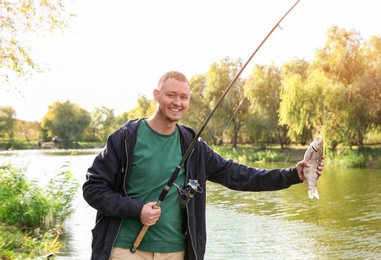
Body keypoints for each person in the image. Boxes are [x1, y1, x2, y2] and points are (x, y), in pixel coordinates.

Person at [83, 70, 325, 260]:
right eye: (171, 95)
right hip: (124, 249)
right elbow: (93, 189)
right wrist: (136, 210)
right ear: (156, 95)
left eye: (184, 97)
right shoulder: (125, 138)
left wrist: (293, 174)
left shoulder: (194, 146)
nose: (177, 102)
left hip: (176, 252)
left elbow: (240, 175)